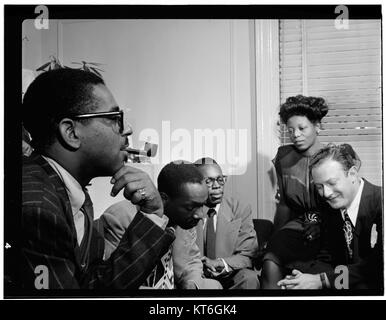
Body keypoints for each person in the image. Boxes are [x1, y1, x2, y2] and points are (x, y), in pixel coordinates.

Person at [20, 69, 175, 289]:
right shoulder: (36, 210)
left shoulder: (73, 195)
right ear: (71, 133)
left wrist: (151, 215)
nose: (127, 129)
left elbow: (93, 286)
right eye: (114, 119)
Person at [278, 143, 383, 290]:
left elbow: (378, 266)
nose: (326, 193)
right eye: (319, 187)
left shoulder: (381, 203)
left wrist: (320, 280)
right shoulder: (331, 207)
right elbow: (330, 258)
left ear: (352, 174)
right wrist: (300, 280)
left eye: (332, 183)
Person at [102, 161, 222, 289]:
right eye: (190, 207)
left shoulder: (184, 220)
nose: (200, 215)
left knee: (215, 286)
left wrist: (192, 283)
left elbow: (192, 260)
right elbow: (113, 280)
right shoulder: (120, 217)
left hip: (174, 287)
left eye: (201, 205)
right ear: (164, 199)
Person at [261, 95, 329, 289]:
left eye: (301, 128)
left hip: (331, 224)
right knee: (270, 259)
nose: (295, 134)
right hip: (298, 224)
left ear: (317, 126)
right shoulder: (284, 157)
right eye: (290, 130)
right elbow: (283, 205)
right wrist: (273, 239)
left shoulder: (336, 157)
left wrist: (321, 225)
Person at [192, 157, 259, 289]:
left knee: (250, 278)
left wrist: (222, 263)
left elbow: (248, 254)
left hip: (229, 274)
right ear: (196, 184)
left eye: (220, 179)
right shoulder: (188, 209)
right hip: (197, 276)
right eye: (209, 181)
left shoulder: (240, 208)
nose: (216, 185)